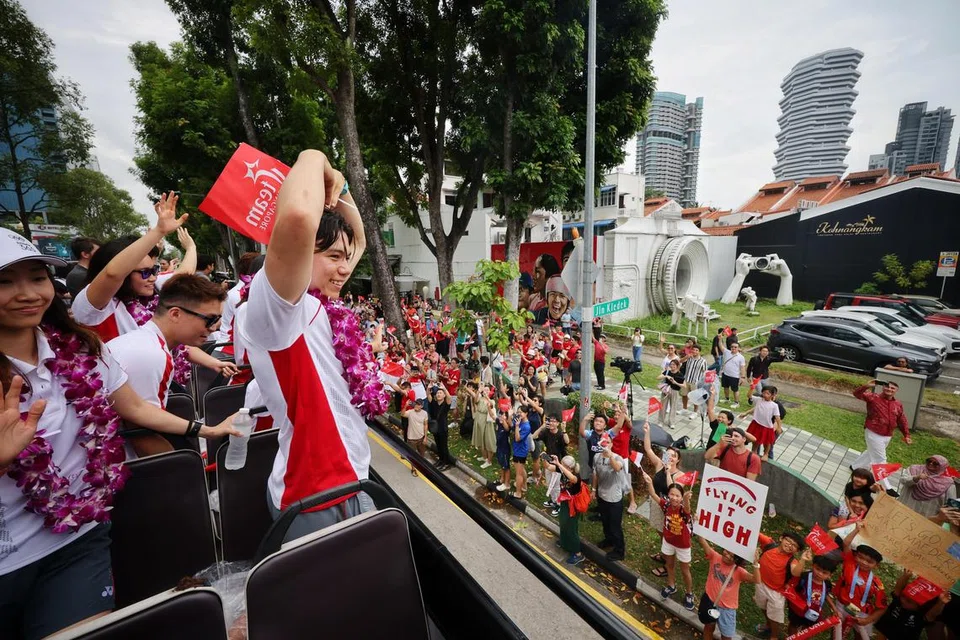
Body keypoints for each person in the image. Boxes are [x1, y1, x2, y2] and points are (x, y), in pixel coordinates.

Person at [0, 228, 238, 640]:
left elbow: (133, 409)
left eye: (37, 278)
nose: (27, 294)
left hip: (80, 539)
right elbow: (111, 275)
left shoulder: (82, 347)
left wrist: (207, 429)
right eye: (5, 283)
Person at [238, 150, 389, 542]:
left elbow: (357, 234)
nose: (345, 267)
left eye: (346, 256)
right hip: (310, 499)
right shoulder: (278, 311)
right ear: (303, 253)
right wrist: (316, 158)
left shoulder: (325, 303)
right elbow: (296, 218)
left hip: (352, 481)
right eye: (333, 256)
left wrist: (334, 192)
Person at [107, 275, 236, 458]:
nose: (214, 328)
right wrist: (192, 472)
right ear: (175, 314)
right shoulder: (149, 355)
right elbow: (142, 436)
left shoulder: (145, 343)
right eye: (210, 319)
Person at [641, 473, 694, 609]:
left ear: (681, 497)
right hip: (668, 541)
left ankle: (689, 594)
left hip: (683, 545)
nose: (674, 498)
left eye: (677, 496)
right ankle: (671, 585)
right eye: (672, 494)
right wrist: (649, 482)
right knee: (669, 565)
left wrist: (687, 500)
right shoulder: (666, 505)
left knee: (685, 570)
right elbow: (653, 495)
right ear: (668, 495)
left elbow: (687, 509)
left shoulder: (683, 510)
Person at [851, 380, 911, 496]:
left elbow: (901, 419)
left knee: (871, 452)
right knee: (880, 459)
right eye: (887, 387)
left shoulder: (897, 404)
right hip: (873, 433)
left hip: (887, 435)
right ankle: (886, 487)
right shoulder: (873, 397)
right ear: (883, 388)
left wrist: (906, 434)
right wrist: (866, 386)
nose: (889, 389)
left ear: (896, 391)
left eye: (892, 388)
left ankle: (855, 466)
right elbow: (856, 394)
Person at [696, 536, 760, 640]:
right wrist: (698, 525)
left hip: (727, 609)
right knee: (708, 627)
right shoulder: (714, 556)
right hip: (710, 601)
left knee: (726, 636)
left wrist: (756, 564)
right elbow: (702, 540)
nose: (728, 556)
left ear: (737, 560)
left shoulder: (739, 571)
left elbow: (756, 580)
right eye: (727, 551)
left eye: (732, 556)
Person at [833, 522, 887, 639]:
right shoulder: (850, 563)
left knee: (860, 636)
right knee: (837, 633)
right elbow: (846, 543)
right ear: (856, 555)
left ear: (876, 565)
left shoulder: (877, 584)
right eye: (861, 557)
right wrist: (856, 530)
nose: (863, 562)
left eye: (869, 561)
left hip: (862, 614)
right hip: (842, 605)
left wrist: (867, 620)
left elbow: (881, 608)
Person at [753, 531, 807, 639]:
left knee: (775, 617)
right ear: (781, 538)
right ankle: (768, 625)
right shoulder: (769, 544)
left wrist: (803, 560)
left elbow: (796, 572)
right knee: (762, 606)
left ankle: (774, 636)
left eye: (795, 546)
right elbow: (755, 533)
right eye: (788, 541)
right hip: (761, 583)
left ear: (797, 550)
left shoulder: (793, 561)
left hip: (777, 592)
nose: (790, 545)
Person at [873, 570, 950, 640]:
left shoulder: (920, 616)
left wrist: (941, 602)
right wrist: (906, 576)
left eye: (908, 601)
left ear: (920, 606)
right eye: (903, 596)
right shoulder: (898, 601)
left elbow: (932, 614)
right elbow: (897, 589)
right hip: (884, 630)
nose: (903, 600)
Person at [785, 555, 838, 636]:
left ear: (830, 575)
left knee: (807, 628)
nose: (819, 573)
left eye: (824, 573)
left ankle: (802, 637)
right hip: (798, 610)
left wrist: (833, 607)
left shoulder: (827, 584)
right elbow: (792, 586)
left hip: (814, 611)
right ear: (812, 566)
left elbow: (826, 594)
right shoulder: (804, 577)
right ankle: (791, 637)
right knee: (794, 624)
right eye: (817, 569)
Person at [548, 454, 587, 565]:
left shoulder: (576, 477)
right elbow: (549, 467)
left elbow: (572, 479)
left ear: (570, 468)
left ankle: (577, 553)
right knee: (563, 522)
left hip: (574, 506)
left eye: (564, 466)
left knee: (571, 527)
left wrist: (559, 464)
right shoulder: (563, 471)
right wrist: (546, 460)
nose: (561, 467)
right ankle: (565, 542)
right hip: (565, 502)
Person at [593, 434, 626, 561]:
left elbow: (617, 468)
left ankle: (619, 550)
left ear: (612, 444)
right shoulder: (596, 457)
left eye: (608, 442)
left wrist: (609, 455)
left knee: (615, 526)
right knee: (605, 522)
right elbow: (595, 473)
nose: (605, 444)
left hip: (614, 498)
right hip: (602, 495)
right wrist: (594, 490)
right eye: (603, 441)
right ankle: (609, 540)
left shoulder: (618, 458)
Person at [536, 416, 570, 512]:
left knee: (556, 485)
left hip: (558, 462)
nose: (551, 423)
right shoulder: (546, 432)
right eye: (550, 421)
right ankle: (553, 500)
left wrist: (564, 430)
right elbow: (534, 437)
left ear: (558, 423)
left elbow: (567, 441)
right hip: (548, 460)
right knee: (549, 482)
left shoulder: (560, 434)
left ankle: (559, 504)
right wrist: (542, 427)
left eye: (554, 421)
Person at [739, 386, 783, 460]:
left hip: (767, 426)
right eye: (764, 392)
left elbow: (777, 417)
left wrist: (778, 427)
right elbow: (749, 396)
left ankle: (766, 454)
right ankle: (754, 451)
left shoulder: (774, 405)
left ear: (772, 395)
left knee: (767, 442)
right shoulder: (759, 400)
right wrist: (752, 387)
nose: (765, 394)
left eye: (767, 393)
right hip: (756, 423)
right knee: (755, 440)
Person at [428, 384, 455, 471]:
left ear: (444, 395)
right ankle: (441, 460)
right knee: (438, 446)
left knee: (444, 446)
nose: (439, 394)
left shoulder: (445, 405)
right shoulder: (434, 403)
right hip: (435, 428)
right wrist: (428, 388)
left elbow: (449, 398)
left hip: (443, 428)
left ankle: (446, 463)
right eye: (438, 393)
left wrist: (444, 388)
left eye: (441, 393)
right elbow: (428, 395)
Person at [467, 383, 495, 468]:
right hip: (478, 418)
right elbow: (475, 401)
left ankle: (489, 461)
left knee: (487, 440)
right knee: (480, 438)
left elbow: (491, 405)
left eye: (487, 390)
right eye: (484, 389)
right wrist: (479, 391)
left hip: (486, 420)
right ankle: (484, 457)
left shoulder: (492, 400)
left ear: (491, 392)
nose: (485, 391)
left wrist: (487, 397)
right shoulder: (480, 397)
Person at [402, 399, 429, 476]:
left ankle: (422, 467)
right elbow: (402, 414)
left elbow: (425, 425)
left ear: (422, 406)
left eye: (419, 404)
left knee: (422, 455)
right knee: (412, 456)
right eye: (416, 404)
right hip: (411, 439)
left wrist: (425, 437)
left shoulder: (424, 413)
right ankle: (413, 469)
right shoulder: (410, 412)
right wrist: (405, 406)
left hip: (421, 438)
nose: (417, 406)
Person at [657, 359, 684, 428]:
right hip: (666, 390)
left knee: (673, 407)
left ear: (677, 366)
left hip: (675, 391)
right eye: (671, 364)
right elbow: (658, 377)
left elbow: (684, 385)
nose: (672, 366)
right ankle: (660, 421)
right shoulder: (667, 372)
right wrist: (666, 376)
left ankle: (671, 422)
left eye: (674, 364)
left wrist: (675, 382)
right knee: (663, 406)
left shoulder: (680, 374)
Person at [680, 343, 707, 412]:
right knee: (684, 395)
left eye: (696, 350)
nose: (694, 351)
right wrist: (686, 357)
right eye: (693, 350)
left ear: (699, 351)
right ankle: (684, 408)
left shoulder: (703, 361)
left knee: (695, 397)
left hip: (695, 382)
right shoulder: (689, 358)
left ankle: (695, 412)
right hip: (686, 380)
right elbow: (679, 362)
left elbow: (705, 373)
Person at [719, 342, 746, 408]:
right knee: (725, 387)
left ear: (738, 348)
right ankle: (727, 399)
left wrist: (742, 377)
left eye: (735, 347)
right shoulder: (727, 352)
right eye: (732, 347)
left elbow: (742, 368)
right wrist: (719, 339)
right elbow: (721, 346)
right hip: (725, 374)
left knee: (735, 390)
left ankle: (736, 402)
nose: (733, 348)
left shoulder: (741, 357)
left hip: (734, 376)